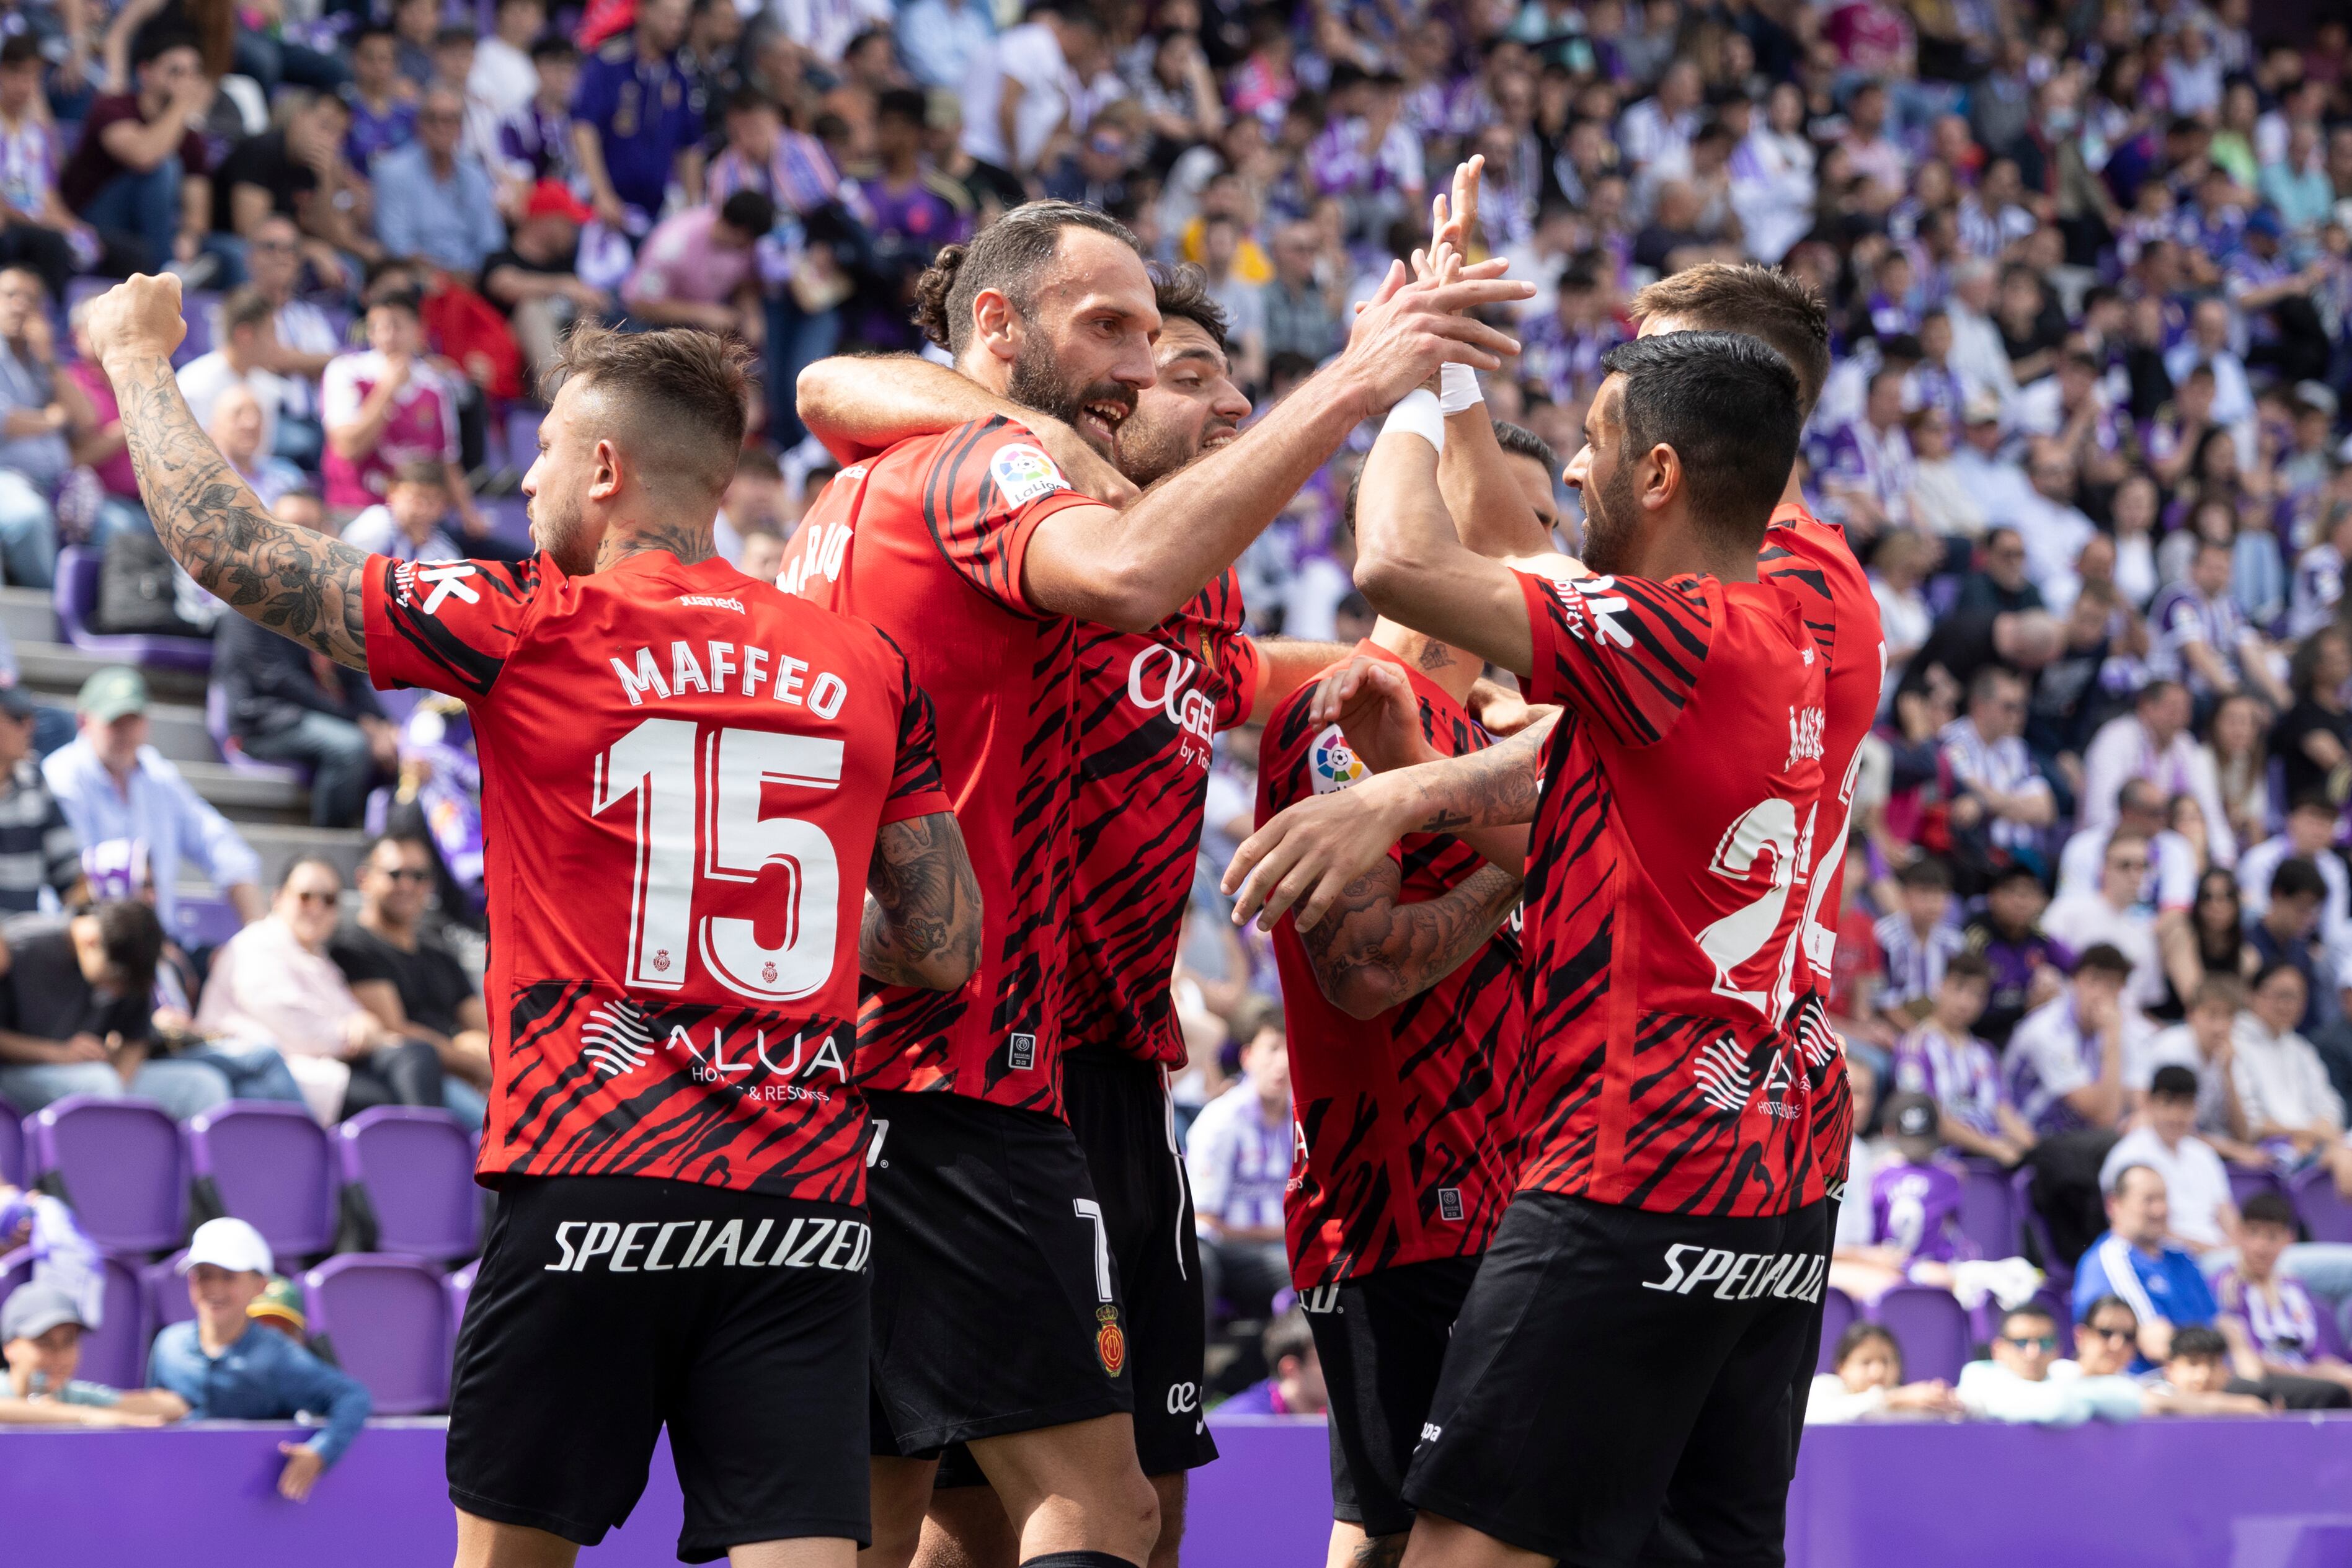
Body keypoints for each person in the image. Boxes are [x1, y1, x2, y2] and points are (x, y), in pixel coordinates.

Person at [88, 272, 980, 1568]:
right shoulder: (866, 664)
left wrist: (131, 356)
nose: (524, 486)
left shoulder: (532, 623)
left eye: (547, 453)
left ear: (606, 467)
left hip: (591, 1182)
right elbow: (943, 946)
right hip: (801, 1199)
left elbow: (241, 555)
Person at [781, 196, 1520, 1568]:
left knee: (947, 1501)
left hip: (1078, 1062)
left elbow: (1264, 661)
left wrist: (1413, 678)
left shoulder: (1175, 590)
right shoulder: (1007, 488)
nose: (1211, 396)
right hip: (971, 1058)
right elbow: (842, 383)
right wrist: (1369, 383)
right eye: (1143, 351)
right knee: (1081, 1507)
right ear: (1004, 336)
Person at [1228, 319, 1826, 1561]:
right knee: (1408, 1530)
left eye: (1555, 528)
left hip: (1564, 1181)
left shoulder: (1548, 705)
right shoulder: (1346, 715)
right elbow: (1366, 972)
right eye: (1523, 540)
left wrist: (1437, 801)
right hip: (1407, 1202)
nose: (1548, 554)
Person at [195, 857, 442, 1122]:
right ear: (278, 899)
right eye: (305, 896)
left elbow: (361, 1018)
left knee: (416, 1056)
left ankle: (433, 1151)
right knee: (388, 1104)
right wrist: (356, 1035)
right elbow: (296, 1029)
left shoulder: (318, 958)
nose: (317, 907)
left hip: (323, 1068)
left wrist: (365, 1027)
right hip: (273, 1073)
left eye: (329, 900)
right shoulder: (254, 946)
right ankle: (429, 1154)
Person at [148, 1219, 371, 1501]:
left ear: (260, 1285)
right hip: (179, 1498)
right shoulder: (168, 1344)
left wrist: (321, 1452)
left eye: (229, 1276)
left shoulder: (277, 1355)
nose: (214, 1287)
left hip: (250, 1505)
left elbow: (352, 1397)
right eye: (203, 1274)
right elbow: (154, 1422)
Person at [42, 667, 266, 932]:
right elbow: (80, 883)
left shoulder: (159, 774)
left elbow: (220, 844)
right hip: (84, 943)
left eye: (133, 720)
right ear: (84, 721)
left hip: (155, 944)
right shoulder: (60, 776)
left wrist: (258, 934)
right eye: (115, 722)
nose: (125, 732)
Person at [0, 900, 229, 1119]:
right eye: (118, 979)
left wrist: (119, 1084)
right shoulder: (18, 945)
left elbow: (134, 1041)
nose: (120, 991)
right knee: (99, 1083)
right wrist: (56, 1053)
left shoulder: (131, 952)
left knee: (203, 1085)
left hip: (96, 1081)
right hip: (15, 1077)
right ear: (91, 941)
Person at [330, 833, 492, 1132]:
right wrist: (477, 1065)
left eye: (418, 876)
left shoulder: (439, 951)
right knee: (500, 1133)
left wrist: (483, 1052)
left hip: (464, 1075)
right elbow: (396, 1030)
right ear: (364, 879)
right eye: (394, 874)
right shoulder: (352, 947)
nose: (407, 885)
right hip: (417, 1082)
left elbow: (484, 1025)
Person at [210, 583, 397, 833]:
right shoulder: (246, 608)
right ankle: (330, 839)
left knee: (405, 748)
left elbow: (352, 676)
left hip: (310, 716)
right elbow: (279, 680)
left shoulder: (317, 610)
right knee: (350, 747)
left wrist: (382, 723)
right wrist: (358, 722)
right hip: (264, 722)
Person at [2008, 944, 2141, 1265]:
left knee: (2141, 1143)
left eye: (2113, 986)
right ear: (2078, 981)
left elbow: (2139, 1100)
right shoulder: (2048, 1030)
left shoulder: (2111, 1029)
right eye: (2096, 982)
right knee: (2112, 1146)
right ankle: (2100, 1261)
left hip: (2079, 1150)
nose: (2104, 995)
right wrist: (2112, 1039)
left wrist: (2140, 1118)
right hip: (2035, 1144)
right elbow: (2103, 1116)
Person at [57, 30, 215, 278]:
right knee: (164, 167)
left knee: (230, 254)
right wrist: (183, 104)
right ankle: (166, 272)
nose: (187, 82)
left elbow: (198, 208)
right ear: (145, 73)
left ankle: (172, 268)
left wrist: (189, 237)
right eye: (176, 72)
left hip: (147, 232)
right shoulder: (113, 107)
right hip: (89, 221)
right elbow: (143, 156)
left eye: (193, 73)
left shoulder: (190, 137)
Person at [321, 288, 473, 527]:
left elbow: (446, 461)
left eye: (396, 326)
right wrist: (387, 389)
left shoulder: (434, 386)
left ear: (418, 331)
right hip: (355, 510)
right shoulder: (345, 371)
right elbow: (347, 447)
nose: (387, 336)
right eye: (378, 327)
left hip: (417, 519)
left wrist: (469, 516)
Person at [1185, 1024, 1294, 1333]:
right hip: (1226, 1250)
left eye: (1290, 1049)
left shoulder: (1303, 1118)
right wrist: (1278, 1233)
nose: (1284, 1061)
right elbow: (1202, 1217)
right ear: (1247, 1057)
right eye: (1273, 1048)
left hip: (1282, 1245)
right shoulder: (1221, 1120)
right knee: (1300, 1271)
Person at [570, 0, 704, 234]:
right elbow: (584, 128)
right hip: (605, 209)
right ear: (643, 12)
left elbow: (690, 145)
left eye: (682, 18)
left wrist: (693, 210)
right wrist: (601, 194)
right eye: (669, 16)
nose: (676, 25)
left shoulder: (681, 74)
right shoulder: (608, 63)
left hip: (657, 211)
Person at [1893, 954, 2036, 1163]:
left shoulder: (1984, 1052)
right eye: (1959, 989)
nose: (1966, 1002)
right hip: (1940, 1159)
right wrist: (1992, 1148)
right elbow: (1928, 1118)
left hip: (1992, 1156)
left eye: (1977, 995)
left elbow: (2003, 1111)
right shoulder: (1915, 1047)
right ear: (1938, 987)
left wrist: (2034, 1151)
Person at [2074, 1164, 2219, 1366]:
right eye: (2148, 1200)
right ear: (2114, 1205)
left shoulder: (2181, 1257)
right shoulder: (2112, 1259)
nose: (2160, 1210)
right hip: (2147, 1385)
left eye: (2163, 1199)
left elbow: (2221, 1325)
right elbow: (2157, 1345)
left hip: (2201, 1378)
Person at [2217, 1192, 2352, 1398]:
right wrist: (2312, 1374)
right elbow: (2246, 1358)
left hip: (2308, 1377)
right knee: (2333, 1391)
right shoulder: (2226, 1287)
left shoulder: (2295, 1288)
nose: (2261, 1246)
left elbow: (2318, 1352)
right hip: (2262, 1384)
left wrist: (2340, 1373)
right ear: (2239, 1234)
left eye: (2272, 1236)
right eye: (2253, 1233)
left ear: (2288, 1240)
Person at [2233, 962, 2352, 1195]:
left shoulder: (2300, 1047)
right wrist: (2309, 1134)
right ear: (2253, 994)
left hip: (2312, 1145)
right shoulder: (2235, 1044)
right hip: (2267, 1153)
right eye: (2281, 995)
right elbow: (2251, 1121)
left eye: (2297, 997)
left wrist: (2319, 1131)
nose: (2288, 1005)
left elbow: (2331, 1104)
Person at [1, 1280, 187, 1425]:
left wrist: (86, 1413)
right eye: (43, 1343)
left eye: (68, 1342)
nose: (59, 1356)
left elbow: (174, 1406)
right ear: (9, 1348)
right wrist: (88, 1416)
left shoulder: (75, 1396)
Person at [2100, 1065, 2239, 1257]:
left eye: (2185, 1105)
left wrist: (2239, 1252)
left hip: (2222, 1256)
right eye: (2168, 1103)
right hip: (2168, 1258)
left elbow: (2227, 1215)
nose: (2176, 1115)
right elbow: (2142, 1228)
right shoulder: (2129, 1155)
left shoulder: (2204, 1154)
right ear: (2150, 1103)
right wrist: (2219, 1252)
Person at [372, 85, 507, 281]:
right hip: (418, 277)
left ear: (460, 128)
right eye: (432, 119)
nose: (441, 128)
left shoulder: (476, 176)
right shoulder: (393, 171)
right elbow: (397, 245)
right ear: (419, 125)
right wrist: (451, 276)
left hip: (472, 280)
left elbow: (490, 241)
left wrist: (475, 276)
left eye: (450, 120)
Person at [0, 266, 74, 589]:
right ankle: (54, 608)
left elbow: (85, 416)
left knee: (118, 526)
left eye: (30, 299)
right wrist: (52, 420)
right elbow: (5, 421)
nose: (20, 305)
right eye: (10, 295)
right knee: (28, 519)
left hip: (58, 483)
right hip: (8, 477)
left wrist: (48, 358)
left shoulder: (39, 358)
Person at [1955, 1301, 2146, 1425]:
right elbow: (2057, 1407)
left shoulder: (2062, 1374)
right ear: (1998, 1350)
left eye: (2045, 1343)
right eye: (2021, 1343)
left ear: (2058, 1350)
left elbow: (2130, 1400)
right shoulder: (1978, 1375)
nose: (2033, 1352)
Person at [619, 188, 772, 338]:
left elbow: (744, 283)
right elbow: (641, 305)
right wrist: (702, 314)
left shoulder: (742, 247)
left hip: (698, 326)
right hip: (649, 326)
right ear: (740, 231)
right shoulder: (673, 244)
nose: (749, 248)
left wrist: (751, 316)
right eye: (748, 241)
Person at [1964, 862, 2071, 1048]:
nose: (2021, 902)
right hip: (1983, 1039)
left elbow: (2080, 968)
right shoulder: (1978, 941)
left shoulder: (2041, 940)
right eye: (2012, 892)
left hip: (2029, 1035)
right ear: (1993, 897)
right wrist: (2025, 1007)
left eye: (2030, 893)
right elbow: (1966, 1007)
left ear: (2042, 902)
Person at [0, 685, 80, 914]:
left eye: (30, 717)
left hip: (23, 945)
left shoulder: (34, 778)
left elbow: (69, 873)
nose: (30, 726)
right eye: (17, 717)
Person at [1803, 1322, 1961, 1423]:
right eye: (1866, 1362)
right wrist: (1891, 1400)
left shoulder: (1907, 1400)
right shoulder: (1823, 1388)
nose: (1878, 1372)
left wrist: (1945, 1403)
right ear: (1842, 1367)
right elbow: (1816, 1416)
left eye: (1886, 1361)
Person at [340, 459, 465, 565]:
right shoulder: (378, 521)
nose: (423, 506)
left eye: (432, 500)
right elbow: (345, 566)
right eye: (415, 498)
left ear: (444, 504)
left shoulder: (446, 554)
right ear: (393, 492)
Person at [1214, 1312, 1329, 1417]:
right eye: (1327, 1363)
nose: (1342, 1372)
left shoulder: (1333, 1418)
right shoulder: (1239, 1423)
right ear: (1290, 1369)